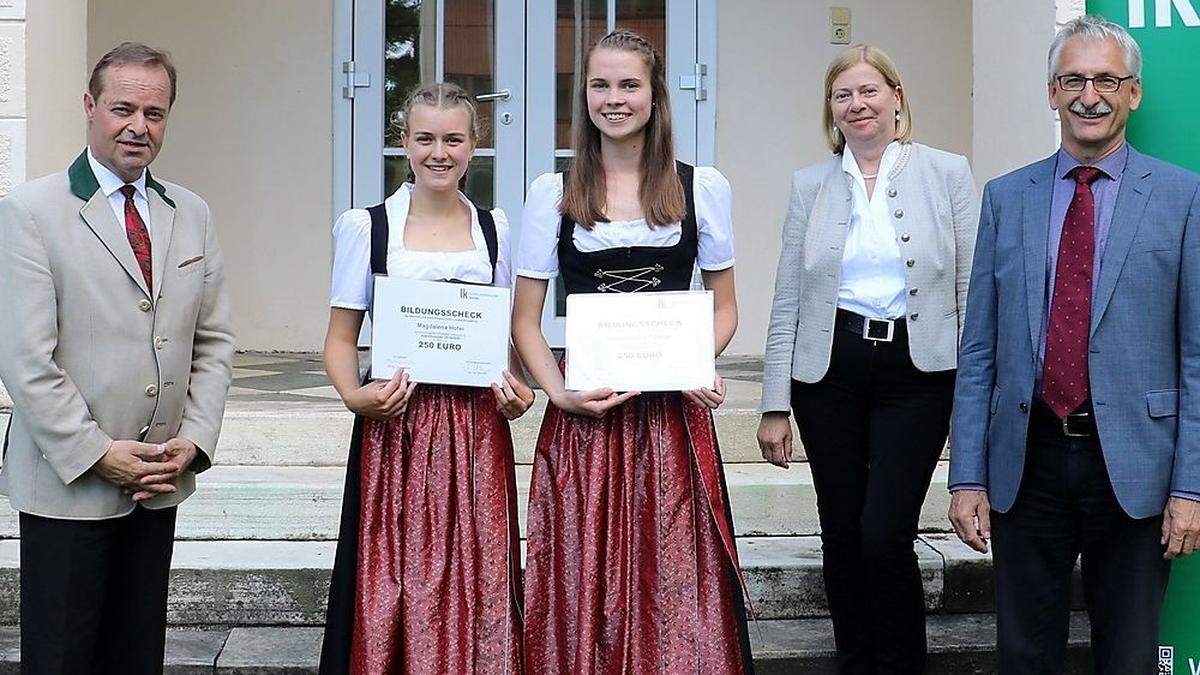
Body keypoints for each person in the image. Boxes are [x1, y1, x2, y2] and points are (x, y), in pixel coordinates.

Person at [948, 15, 1200, 674]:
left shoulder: (1183, 199)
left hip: (1138, 469)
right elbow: (979, 351)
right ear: (1052, 92)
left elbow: (1198, 356)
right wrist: (968, 473)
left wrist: (1192, 487)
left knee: (1128, 657)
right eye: (1074, 79)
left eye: (1106, 79)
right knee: (1024, 655)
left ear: (1134, 92)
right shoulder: (1006, 197)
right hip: (1026, 462)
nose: (1090, 94)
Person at [512, 28, 752, 674]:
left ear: (655, 96)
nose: (613, 99)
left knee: (672, 577)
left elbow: (725, 306)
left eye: (628, 85)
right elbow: (525, 322)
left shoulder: (702, 189)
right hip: (584, 417)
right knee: (583, 579)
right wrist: (558, 393)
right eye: (600, 85)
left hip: (670, 417)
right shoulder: (552, 195)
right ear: (583, 95)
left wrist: (698, 358)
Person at [0, 42, 235, 674]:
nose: (139, 126)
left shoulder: (191, 212)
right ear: (89, 108)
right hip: (69, 482)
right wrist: (100, 453)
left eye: (154, 113)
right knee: (62, 659)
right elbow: (25, 361)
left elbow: (212, 341)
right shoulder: (29, 212)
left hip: (158, 480)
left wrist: (194, 440)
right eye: (122, 108)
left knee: (136, 658)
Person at [756, 44, 978, 674]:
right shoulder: (811, 185)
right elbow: (788, 297)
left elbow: (969, 292)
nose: (857, 105)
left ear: (897, 95)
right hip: (829, 376)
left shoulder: (947, 172)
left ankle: (903, 663)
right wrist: (775, 403)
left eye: (869, 91)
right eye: (842, 95)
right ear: (830, 109)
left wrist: (972, 399)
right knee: (842, 533)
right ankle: (855, 660)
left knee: (885, 532)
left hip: (919, 373)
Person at [318, 82, 534, 675]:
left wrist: (517, 390)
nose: (439, 152)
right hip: (399, 425)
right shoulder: (366, 227)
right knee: (397, 570)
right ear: (403, 143)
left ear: (474, 145)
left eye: (454, 139)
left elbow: (507, 338)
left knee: (479, 565)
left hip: (473, 427)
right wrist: (354, 396)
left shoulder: (496, 229)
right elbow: (339, 340)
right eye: (425, 138)